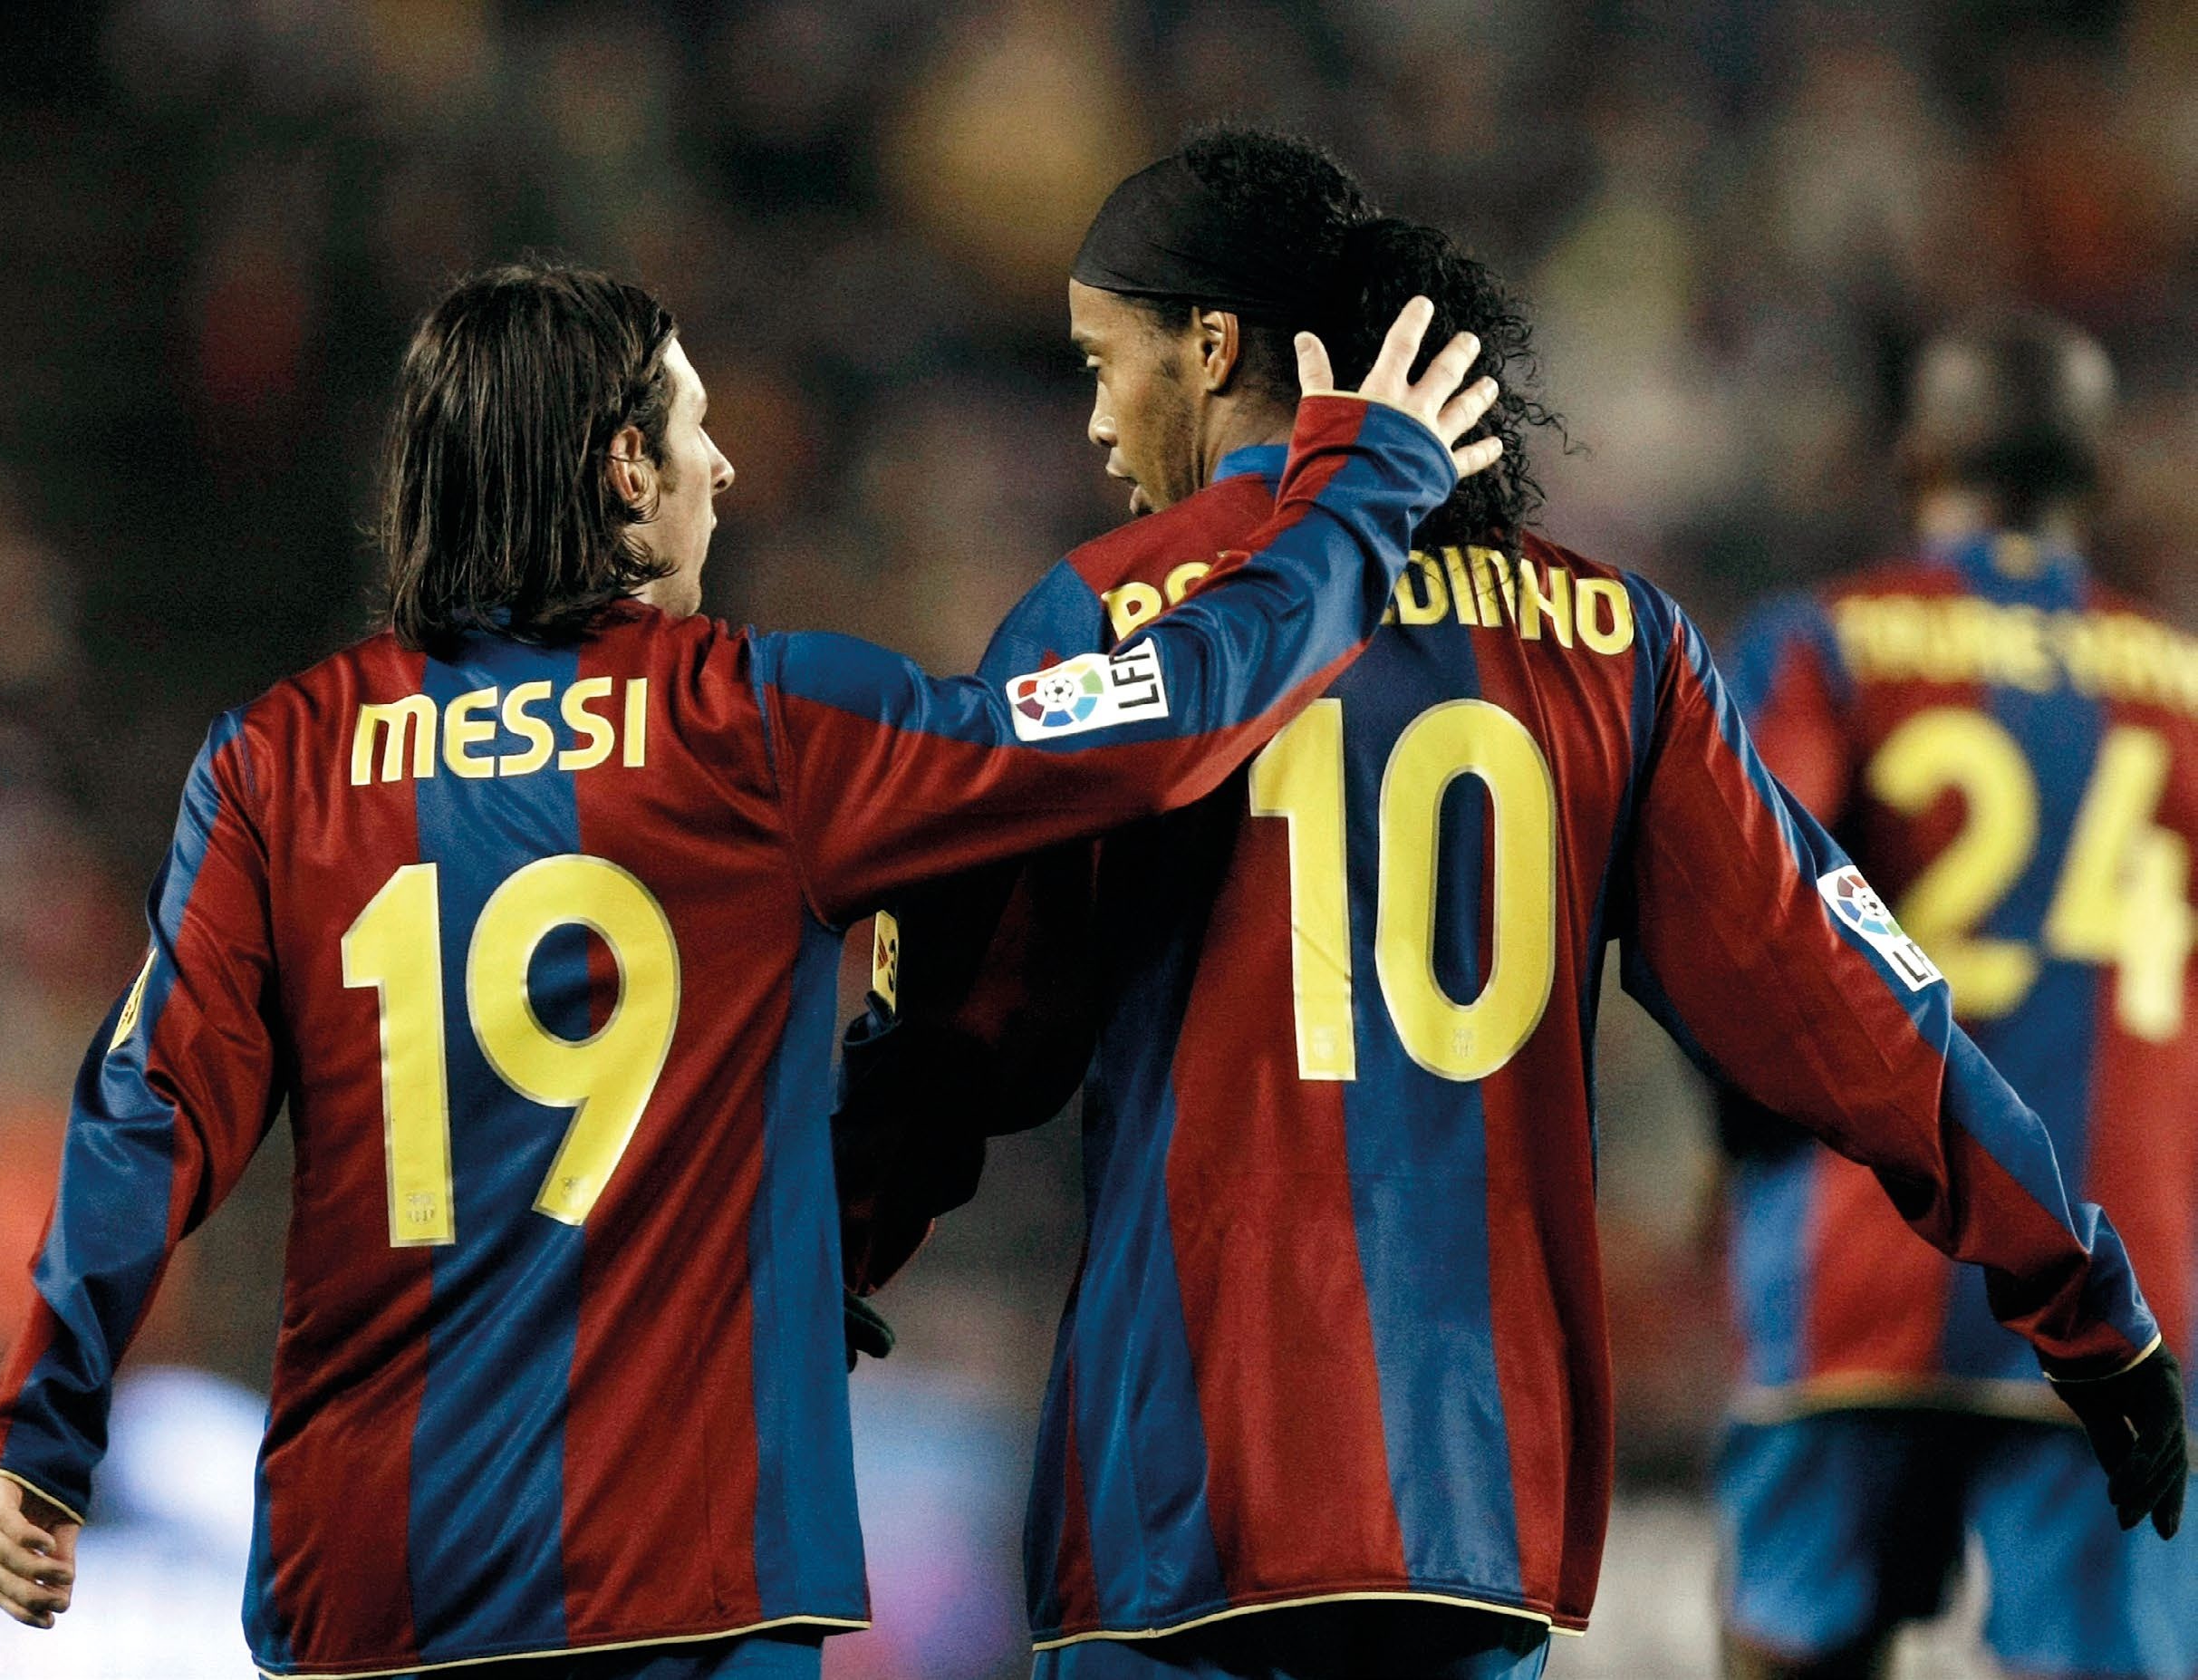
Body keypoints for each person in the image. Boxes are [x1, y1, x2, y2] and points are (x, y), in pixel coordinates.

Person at [0, 256, 1506, 1678]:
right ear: (624, 471)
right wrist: (1357, 498)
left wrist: (47, 1422)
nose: (722, 465)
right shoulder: (756, 727)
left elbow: (147, 1105)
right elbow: (1148, 722)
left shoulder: (276, 762)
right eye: (693, 427)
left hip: (368, 1579)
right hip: (683, 1578)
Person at [832, 130, 2187, 1680]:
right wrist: (2074, 1281)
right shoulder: (1612, 642)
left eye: (1103, 362)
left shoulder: (1113, 612)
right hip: (1475, 1505)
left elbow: (962, 1019)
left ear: (1210, 352)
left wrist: (835, 1244)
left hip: (1182, 1495)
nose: (1090, 417)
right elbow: (1847, 999)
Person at [1711, 314, 2198, 1680]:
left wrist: (1733, 1138)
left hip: (1858, 1256)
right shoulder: (2185, 685)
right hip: (2127, 1281)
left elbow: (1749, 916)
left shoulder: (1826, 643)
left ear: (1912, 456)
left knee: (1792, 1649)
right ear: (2095, 477)